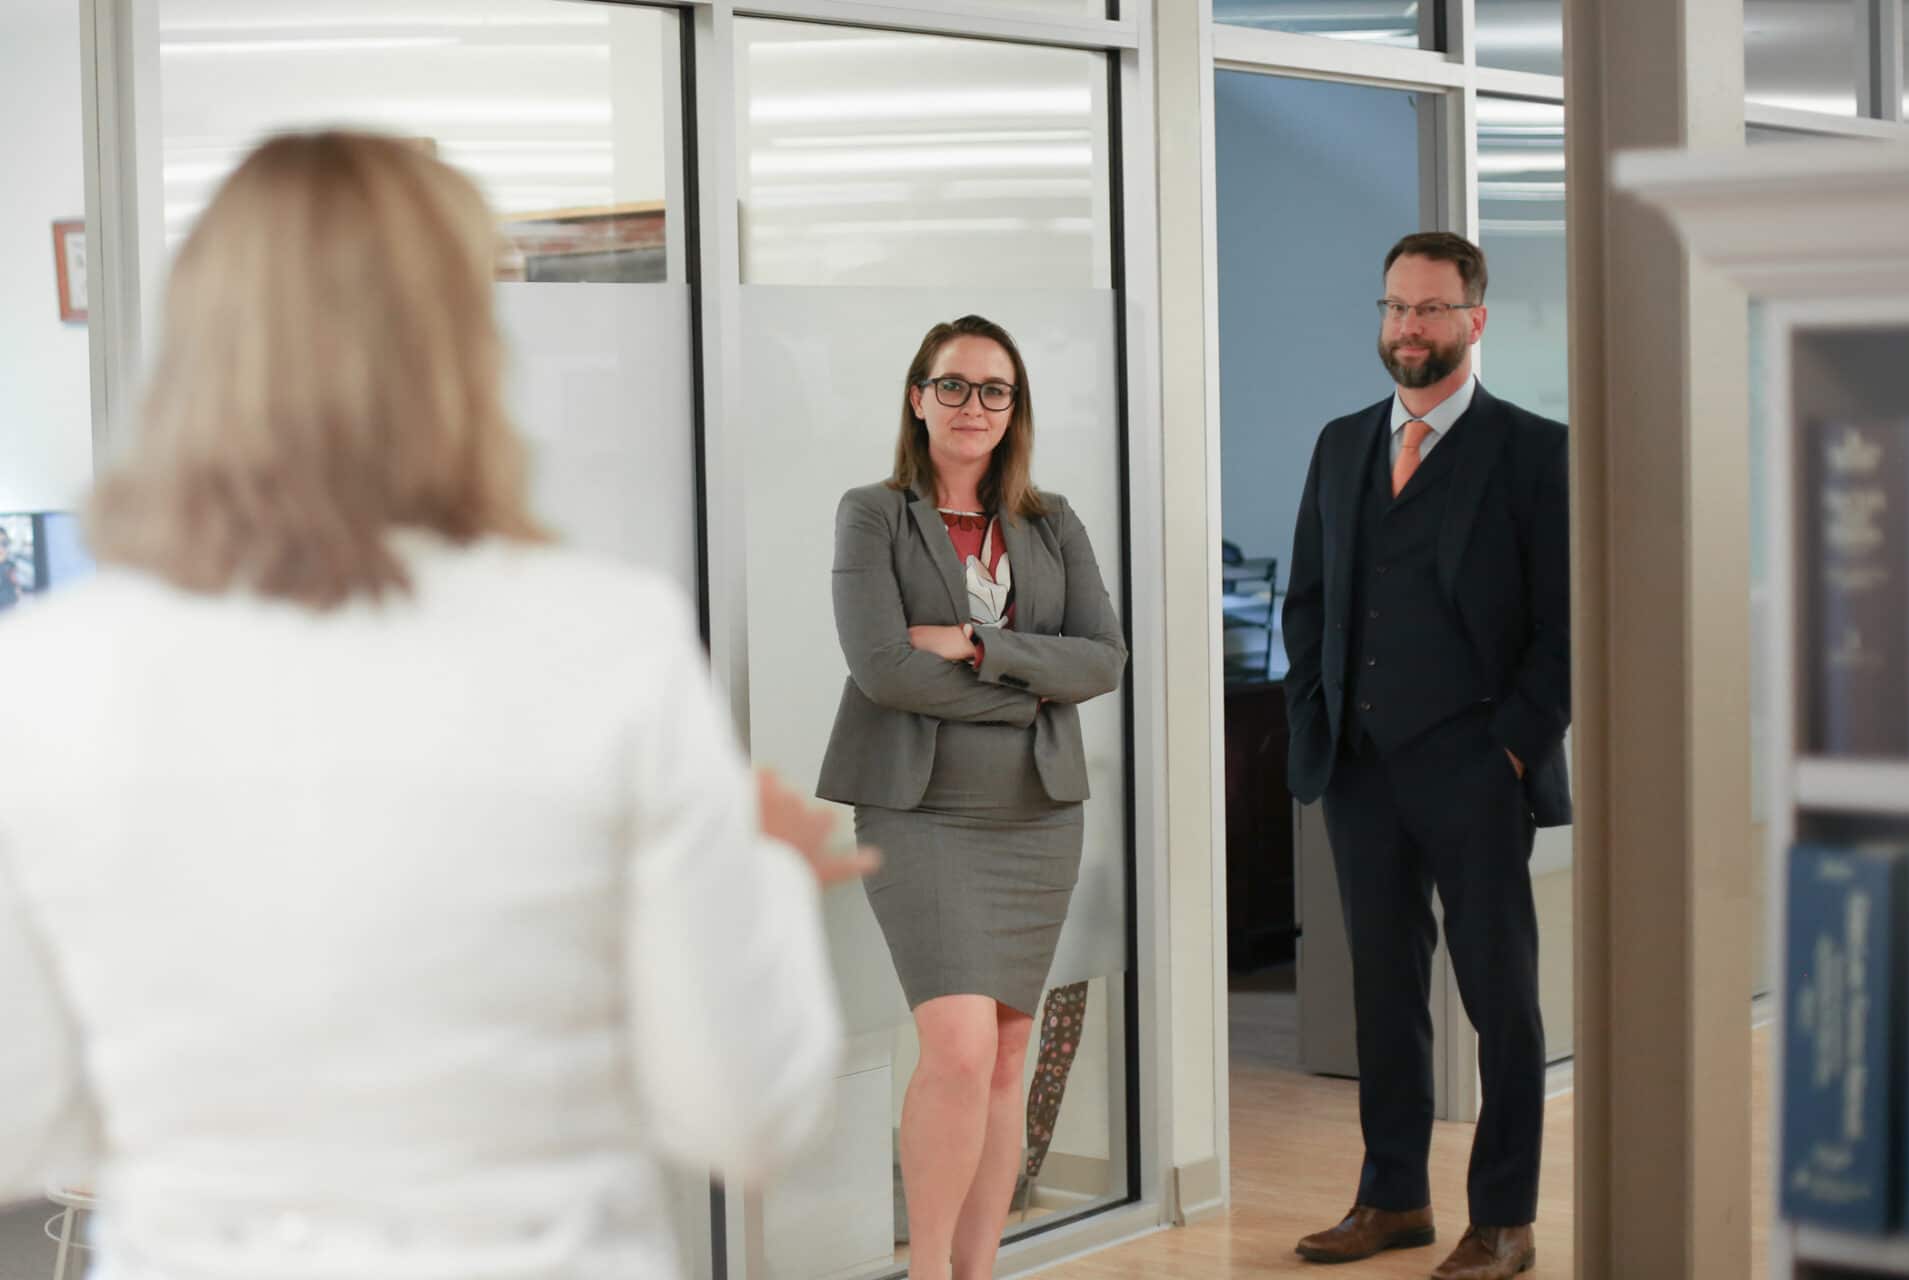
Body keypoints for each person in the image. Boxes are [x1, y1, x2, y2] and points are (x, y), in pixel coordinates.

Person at [0, 130, 863, 1280]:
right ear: (465, 343)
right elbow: (742, 1112)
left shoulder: (48, 672)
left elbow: (20, 1117)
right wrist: (759, 871)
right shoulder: (604, 639)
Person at [1283, 232, 1571, 1280]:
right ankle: (1391, 1194)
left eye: (1430, 310)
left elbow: (1566, 623)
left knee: (1502, 997)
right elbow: (1308, 597)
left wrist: (1509, 748)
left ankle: (1503, 1218)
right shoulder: (1340, 442)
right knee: (1382, 990)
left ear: (1474, 321)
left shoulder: (1535, 451)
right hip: (1359, 766)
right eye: (1395, 308)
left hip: (1474, 766)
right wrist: (1315, 714)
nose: (1408, 327)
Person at [817, 315, 1125, 1280]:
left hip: (1036, 815)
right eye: (954, 385)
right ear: (919, 396)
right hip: (921, 811)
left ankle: (978, 1270)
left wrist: (977, 645)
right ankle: (928, 1274)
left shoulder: (1051, 519)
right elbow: (881, 669)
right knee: (952, 1049)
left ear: (1014, 408)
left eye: (996, 390)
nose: (974, 406)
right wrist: (1028, 691)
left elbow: (1104, 657)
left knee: (1003, 1056)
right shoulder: (873, 513)